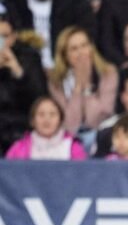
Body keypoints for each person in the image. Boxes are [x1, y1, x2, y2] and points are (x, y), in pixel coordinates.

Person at [47, 25, 118, 153]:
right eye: (74, 49)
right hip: (67, 142)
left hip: (102, 139)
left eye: (84, 45)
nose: (81, 53)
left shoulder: (108, 73)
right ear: (65, 55)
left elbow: (99, 117)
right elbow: (69, 125)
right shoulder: (56, 81)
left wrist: (86, 88)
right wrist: (78, 87)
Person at [3, 0, 95, 68]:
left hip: (68, 68)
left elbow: (87, 36)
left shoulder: (74, 2)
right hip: (27, 71)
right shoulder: (13, 4)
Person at [0, 14, 47, 155]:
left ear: (14, 37)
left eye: (4, 37)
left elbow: (40, 99)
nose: (0, 43)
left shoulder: (29, 58)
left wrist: (18, 72)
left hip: (22, 126)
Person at [6, 96, 86, 159]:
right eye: (41, 114)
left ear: (60, 120)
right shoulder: (18, 149)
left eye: (52, 114)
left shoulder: (73, 147)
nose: (47, 119)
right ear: (33, 121)